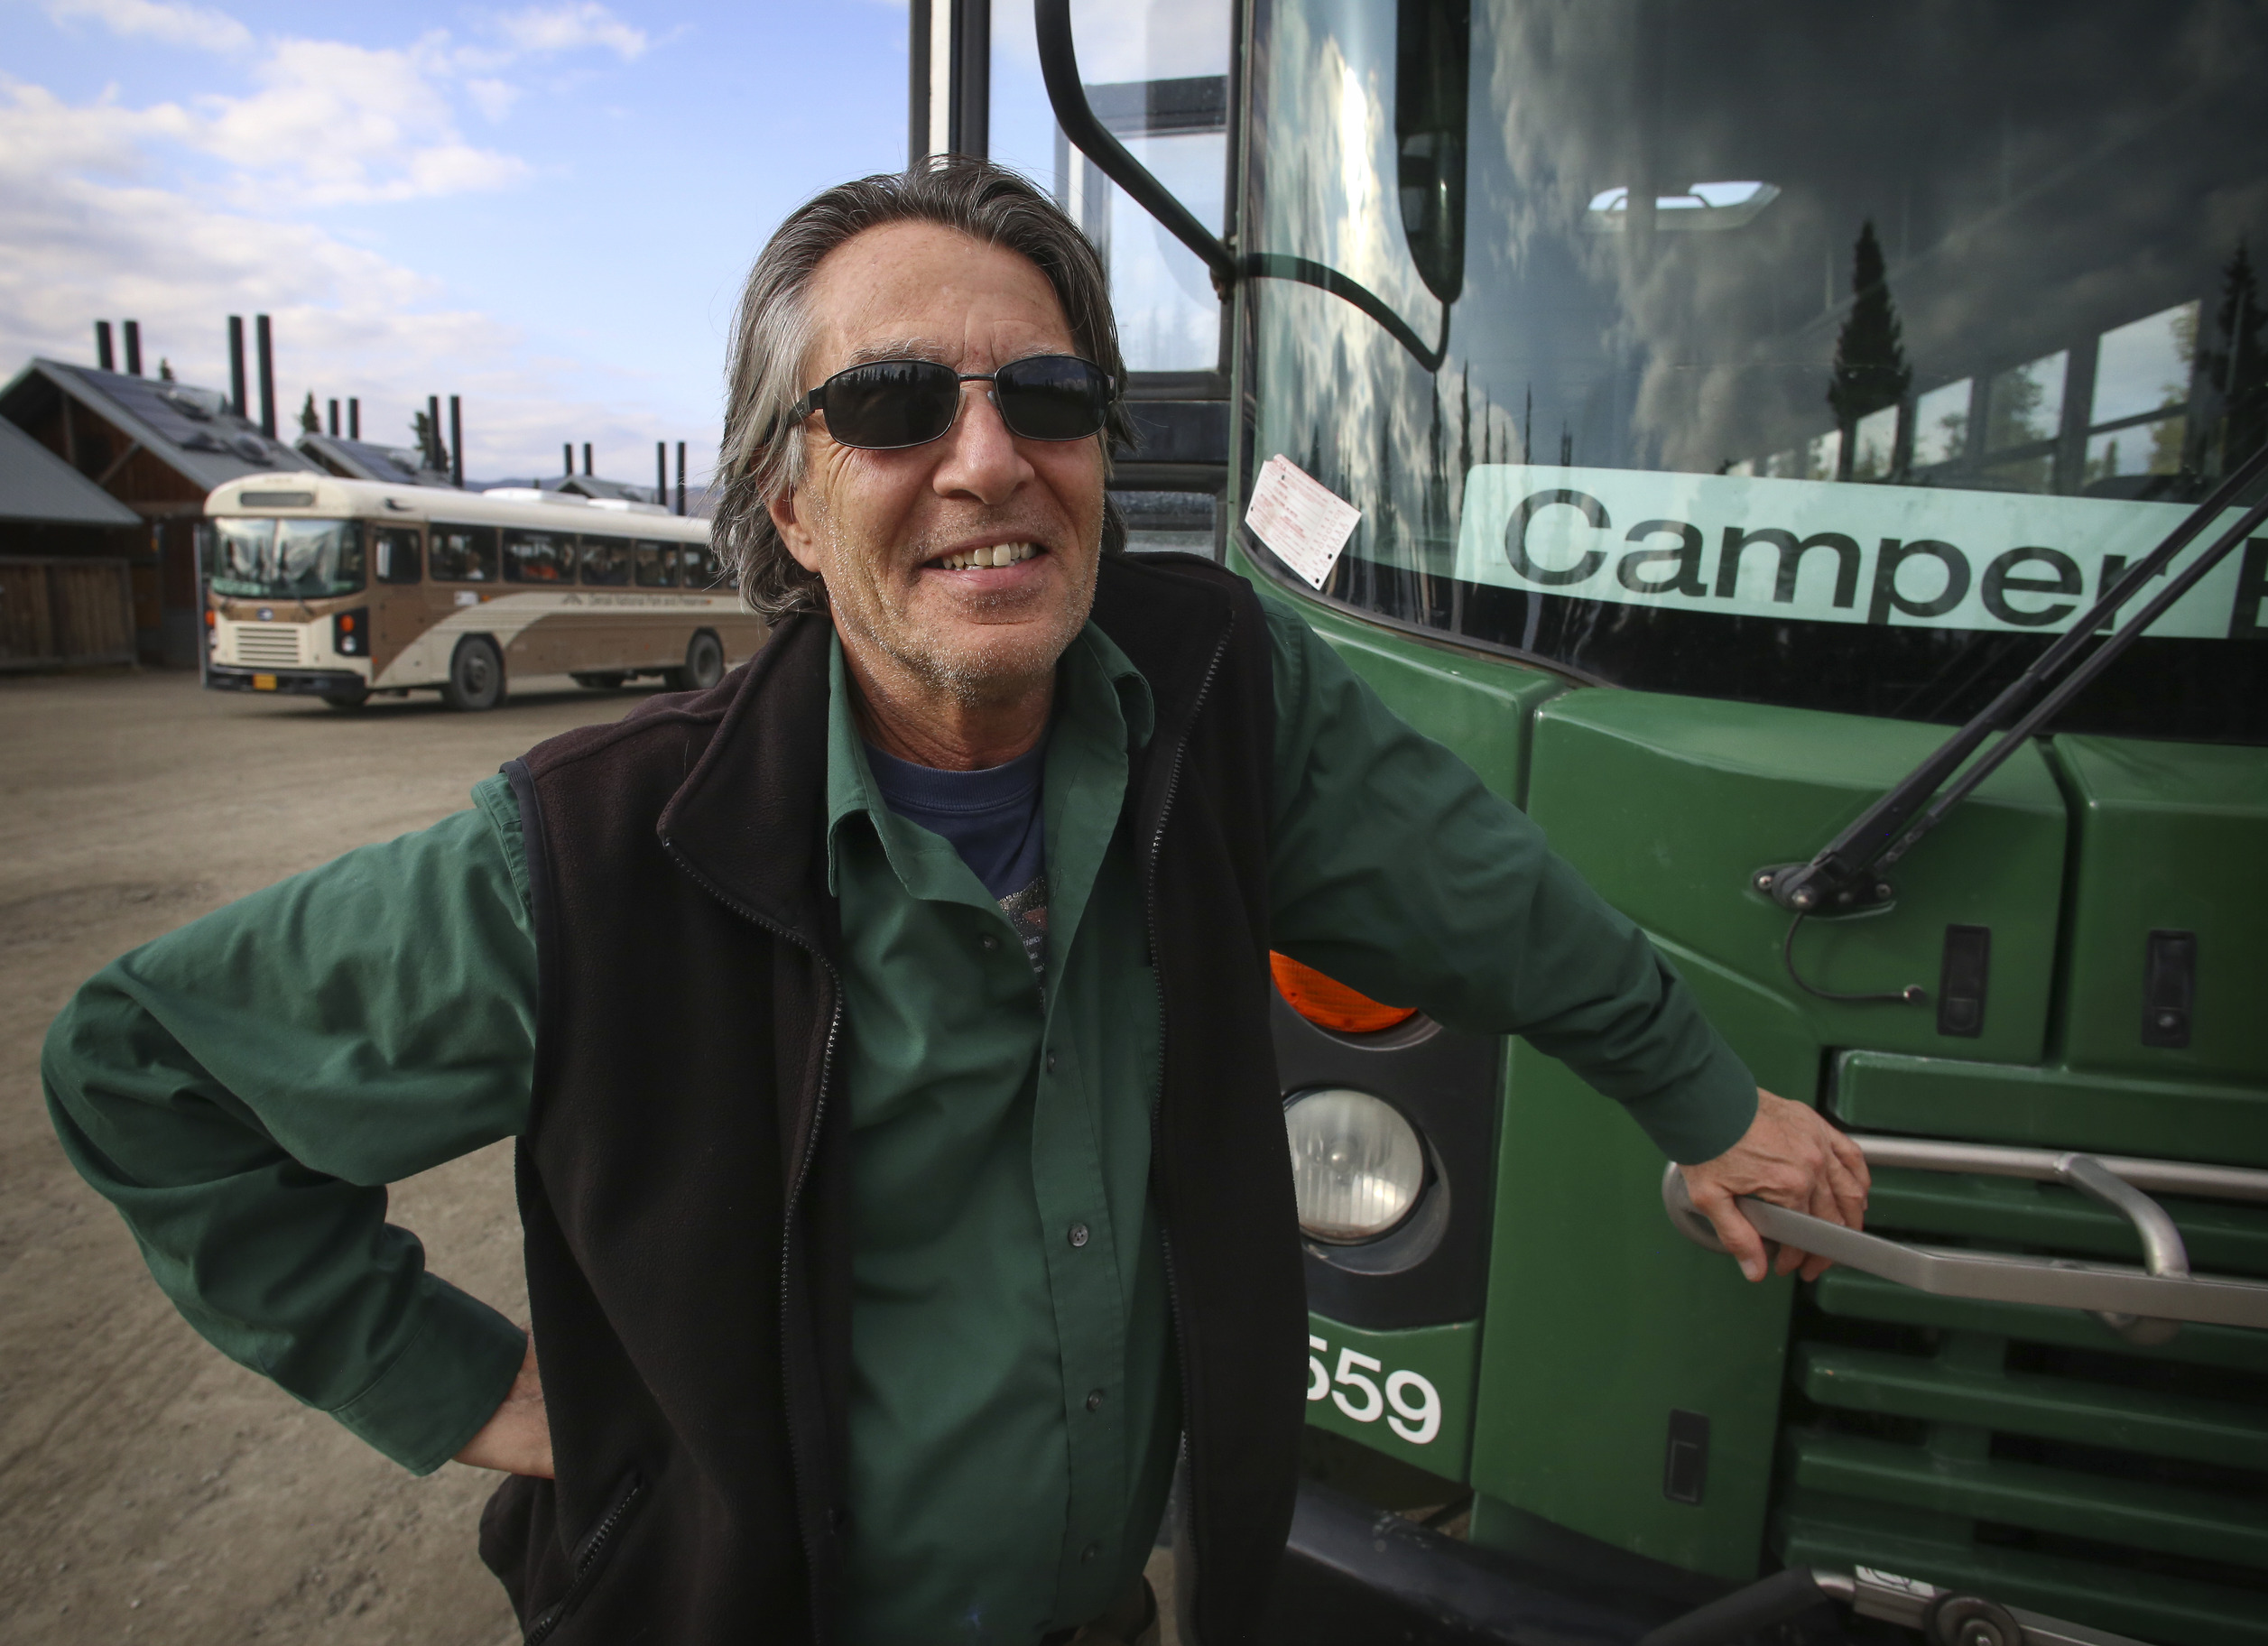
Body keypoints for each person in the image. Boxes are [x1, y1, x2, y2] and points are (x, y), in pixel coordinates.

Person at [43, 159, 1868, 1646]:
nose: (989, 459)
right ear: (791, 491)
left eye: (1050, 396)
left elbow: (1490, 893)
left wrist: (1709, 1108)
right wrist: (474, 1395)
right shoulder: (591, 852)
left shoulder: (1221, 690)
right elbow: (143, 1070)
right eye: (895, 403)